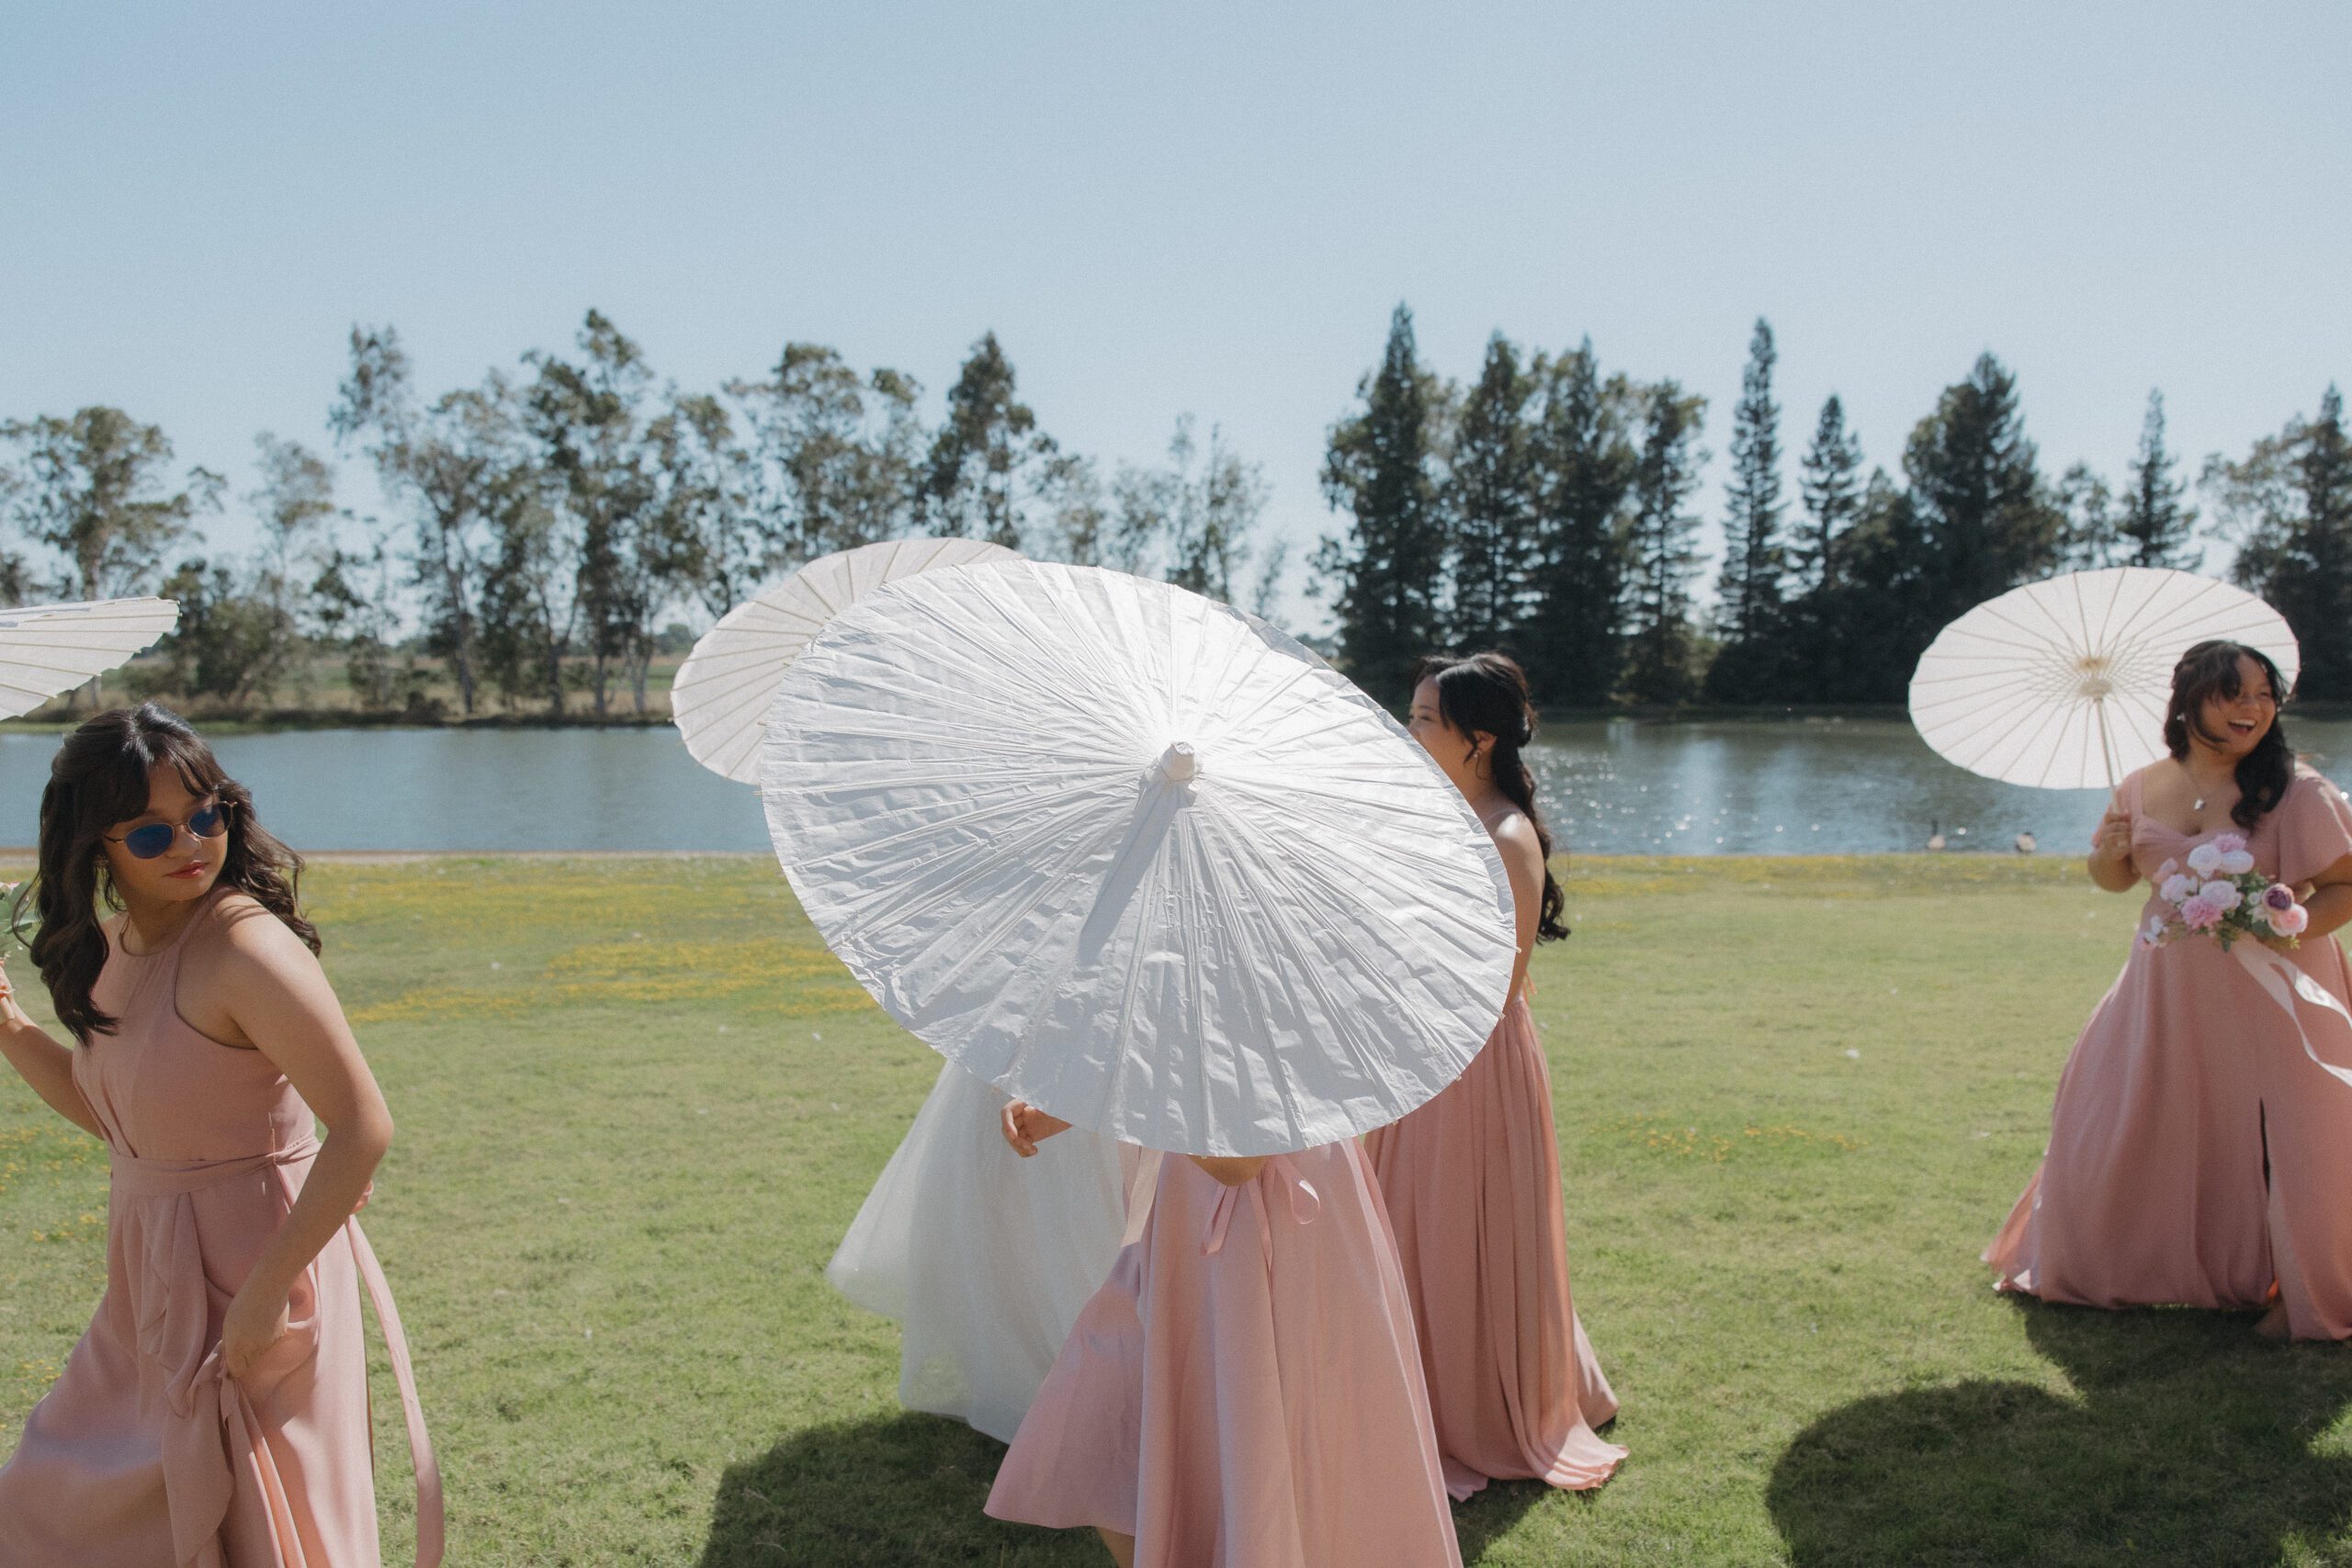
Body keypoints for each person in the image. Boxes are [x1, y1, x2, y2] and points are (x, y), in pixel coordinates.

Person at [0, 704, 442, 1564]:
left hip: (259, 1267)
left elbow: (361, 1125)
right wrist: (12, 1031)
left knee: (265, 1530)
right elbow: (127, 1123)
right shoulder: (117, 944)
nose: (193, 844)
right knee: (51, 1492)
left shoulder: (246, 947)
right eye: (154, 833)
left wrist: (263, 1298)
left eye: (206, 815)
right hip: (151, 1275)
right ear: (96, 843)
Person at [1986, 640, 2352, 1339]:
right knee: (2120, 1111)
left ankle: (2296, 1286)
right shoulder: (2140, 783)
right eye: (2233, 692)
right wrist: (2106, 852)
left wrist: (2291, 925)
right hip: (2166, 988)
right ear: (2190, 701)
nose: (2253, 707)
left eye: (2263, 693)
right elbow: (2117, 880)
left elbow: (2344, 885)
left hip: (2279, 985)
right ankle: (2126, 1261)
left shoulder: (2298, 789)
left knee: (2291, 1131)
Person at [982, 1105, 1463, 1568]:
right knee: (1098, 1396)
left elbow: (1236, 1162)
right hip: (1190, 1210)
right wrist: (1069, 1105)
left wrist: (1126, 1102)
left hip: (1271, 1221)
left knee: (1270, 1429)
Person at [1365, 651, 1625, 1499]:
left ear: (1477, 740)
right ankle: (1405, 1387)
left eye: (1425, 719)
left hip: (1467, 1064)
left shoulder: (1505, 837)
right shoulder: (1441, 812)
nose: (1410, 729)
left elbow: (1497, 986)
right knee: (1406, 1226)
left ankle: (1474, 1401)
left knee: (1453, 1228)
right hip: (1420, 1051)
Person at [825, 1058, 1124, 1443]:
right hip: (1001, 1068)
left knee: (1080, 1222)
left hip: (1077, 1068)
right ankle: (1023, 1380)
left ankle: (1090, 1379)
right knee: (995, 1223)